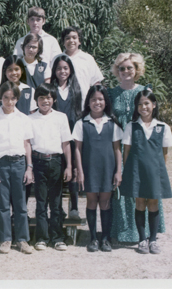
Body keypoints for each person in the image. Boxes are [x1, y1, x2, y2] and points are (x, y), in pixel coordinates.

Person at [108, 53, 165, 243]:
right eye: (122, 68)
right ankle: (123, 231)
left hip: (140, 143)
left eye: (129, 68)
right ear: (117, 70)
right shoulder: (111, 93)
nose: (125, 71)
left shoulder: (144, 91)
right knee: (122, 184)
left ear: (137, 70)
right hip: (118, 144)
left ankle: (147, 233)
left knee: (144, 186)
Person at [120, 90, 172, 254]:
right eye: (140, 104)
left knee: (153, 203)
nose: (143, 107)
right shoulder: (131, 126)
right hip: (136, 171)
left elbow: (164, 154)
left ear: (154, 105)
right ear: (136, 107)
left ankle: (153, 240)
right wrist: (128, 173)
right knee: (140, 202)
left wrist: (159, 175)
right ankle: (142, 239)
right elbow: (126, 152)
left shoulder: (163, 127)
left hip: (154, 173)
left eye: (147, 103)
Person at [0, 81, 35, 254]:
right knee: (3, 203)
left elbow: (27, 144)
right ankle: (5, 239)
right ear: (0, 98)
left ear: (17, 99)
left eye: (13, 98)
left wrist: (29, 167)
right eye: (6, 98)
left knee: (20, 204)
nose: (9, 102)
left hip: (19, 163)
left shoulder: (24, 119)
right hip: (1, 164)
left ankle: (22, 240)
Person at [73, 85, 123, 252]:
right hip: (89, 169)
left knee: (105, 202)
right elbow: (77, 149)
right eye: (93, 99)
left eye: (100, 99)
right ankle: (93, 238)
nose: (97, 102)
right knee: (92, 201)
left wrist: (118, 171)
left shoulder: (112, 123)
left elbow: (117, 149)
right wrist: (79, 171)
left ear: (106, 102)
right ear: (88, 102)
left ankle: (106, 238)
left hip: (108, 169)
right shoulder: (82, 123)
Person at [29, 83, 73, 251]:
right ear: (36, 100)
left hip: (56, 162)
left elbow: (66, 144)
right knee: (41, 203)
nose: (45, 101)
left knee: (56, 203)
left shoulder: (61, 117)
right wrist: (30, 166)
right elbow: (27, 144)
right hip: (38, 162)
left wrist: (68, 166)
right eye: (41, 98)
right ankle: (41, 237)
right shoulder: (30, 118)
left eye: (48, 98)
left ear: (53, 99)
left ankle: (57, 237)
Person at [50, 55, 83, 220]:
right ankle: (57, 208)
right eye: (59, 68)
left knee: (73, 172)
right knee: (57, 174)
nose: (62, 71)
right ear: (54, 71)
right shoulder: (51, 89)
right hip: (55, 137)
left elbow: (78, 114)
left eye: (65, 68)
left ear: (70, 70)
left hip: (71, 136)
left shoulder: (76, 89)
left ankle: (74, 207)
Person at [54, 26, 103, 104]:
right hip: (61, 105)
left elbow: (96, 82)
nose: (71, 40)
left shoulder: (87, 59)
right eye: (67, 38)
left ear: (79, 41)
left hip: (83, 104)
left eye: (74, 37)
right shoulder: (57, 59)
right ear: (63, 42)